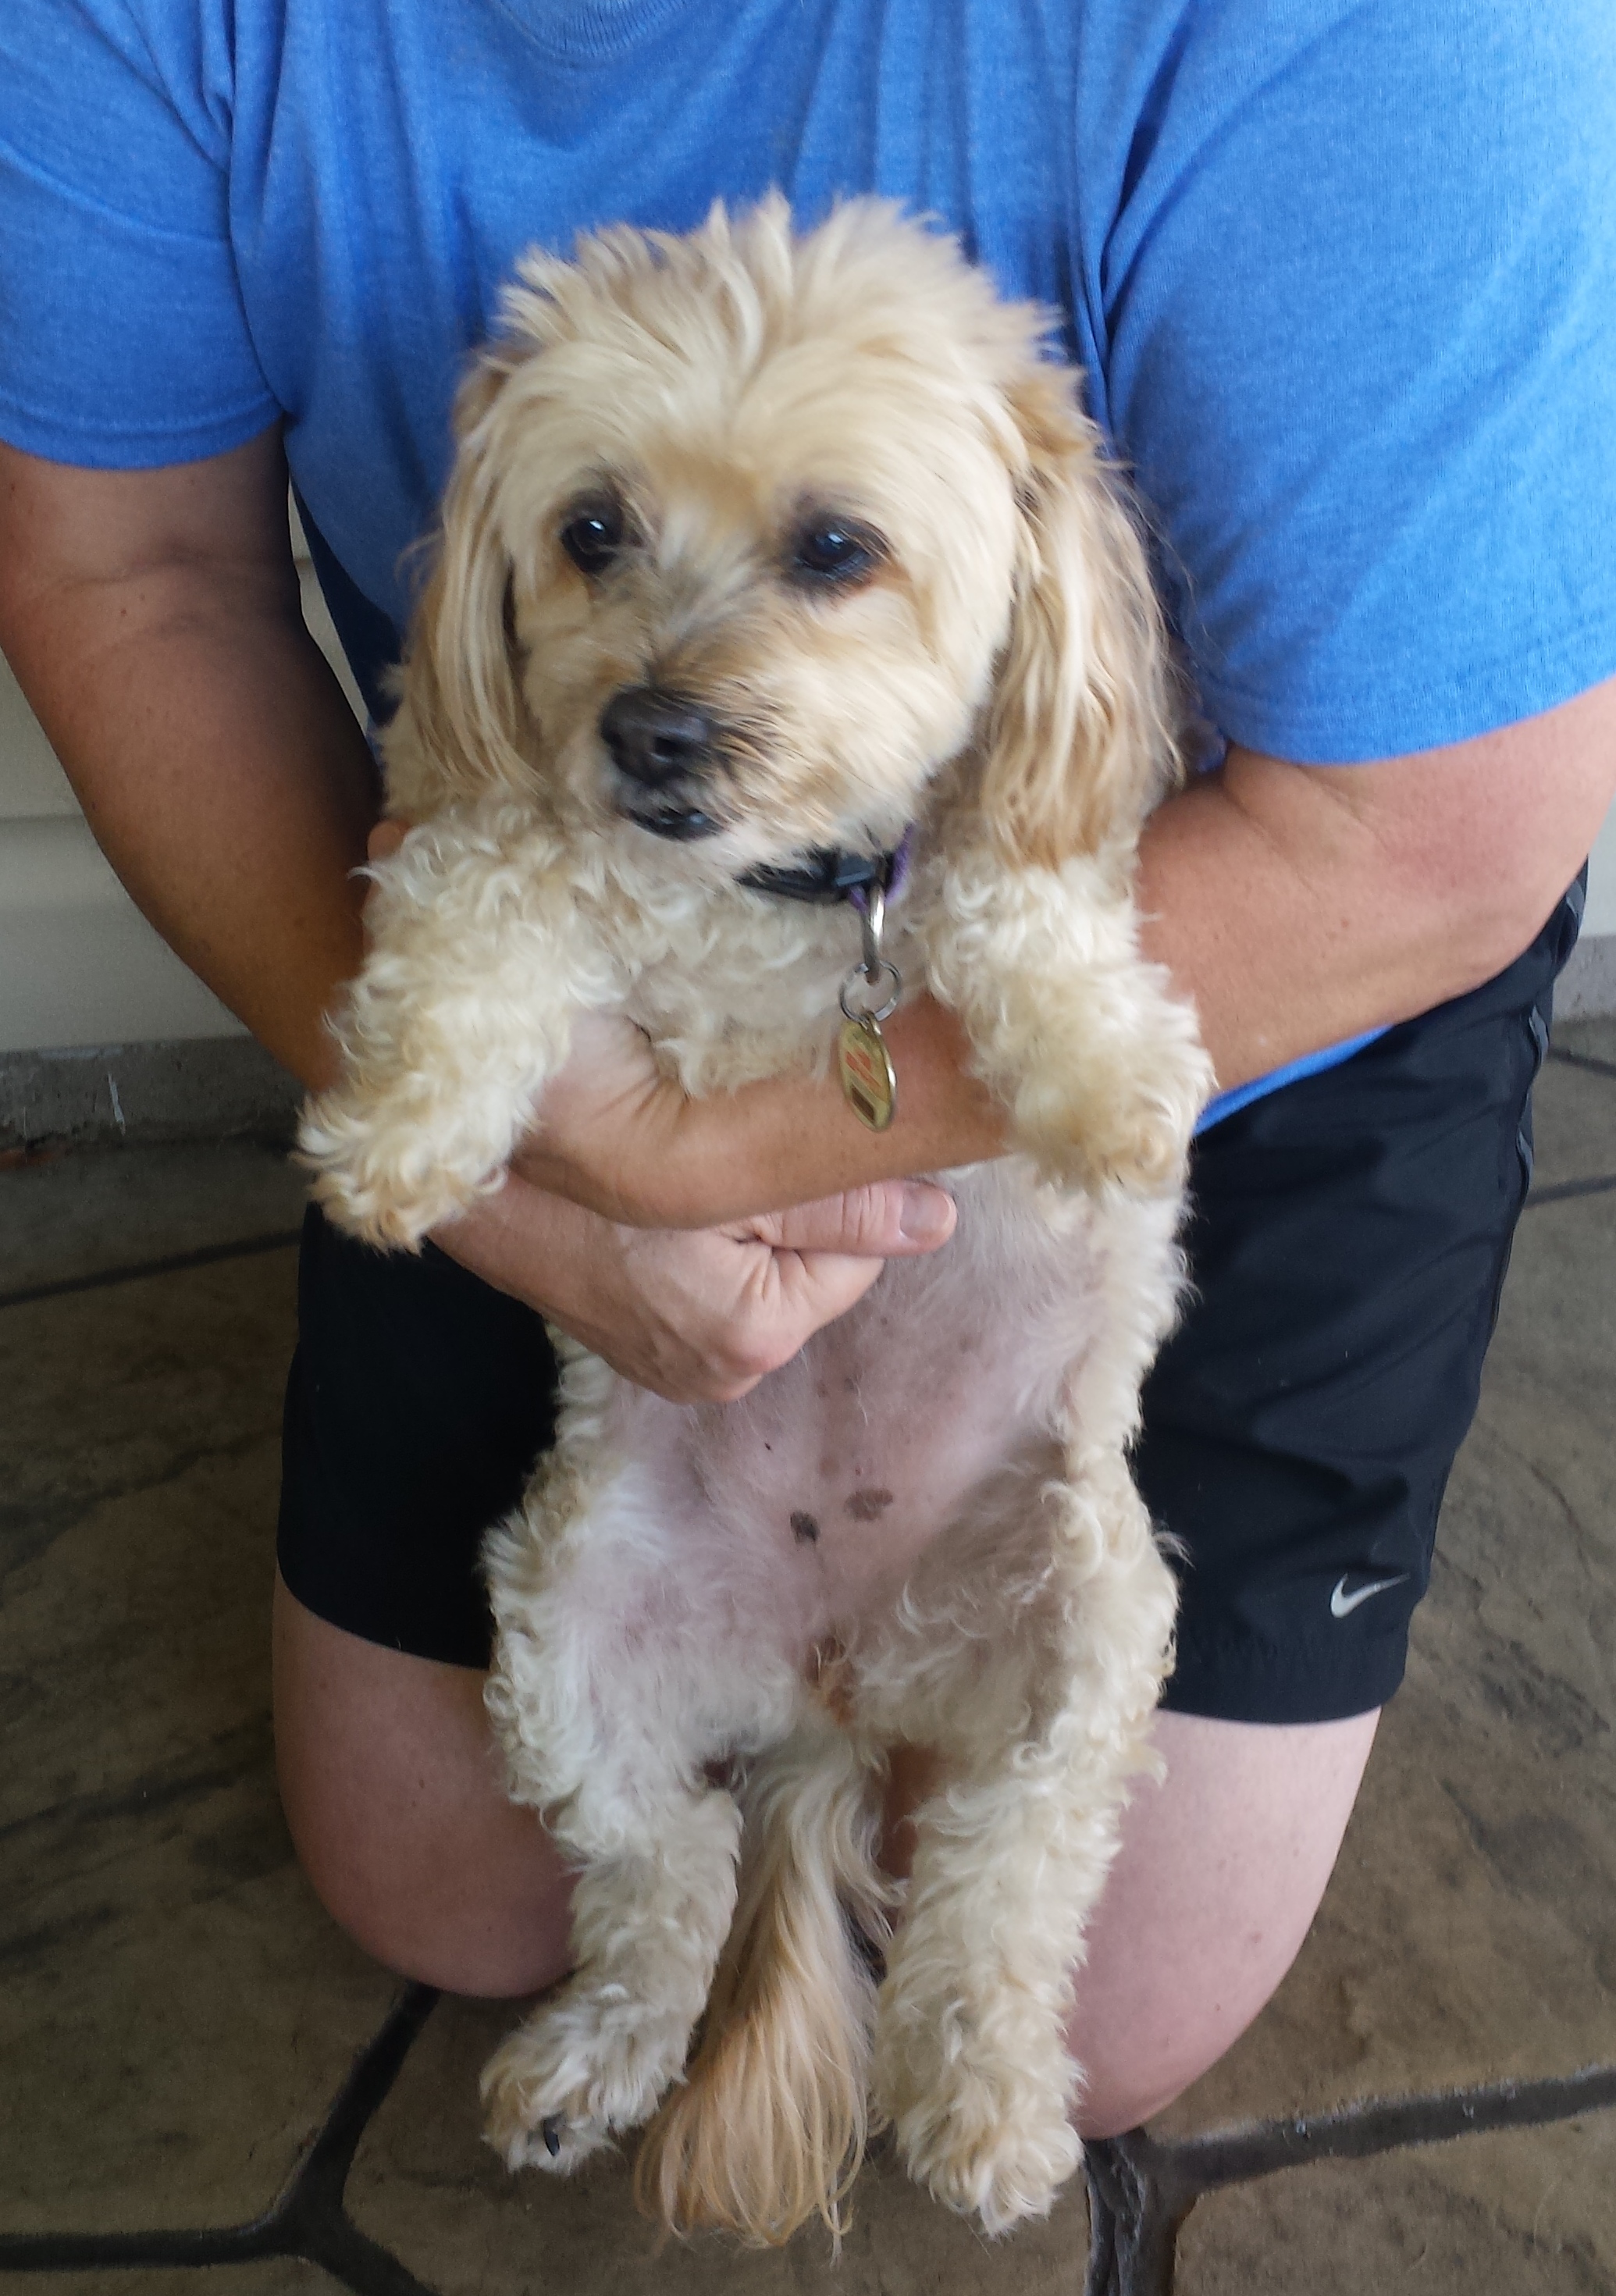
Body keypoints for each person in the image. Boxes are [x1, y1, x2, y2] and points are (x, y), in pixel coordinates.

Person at [2, 0, 1613, 2145]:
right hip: (592, 973)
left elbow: (1431, 844)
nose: (676, 676)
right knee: (444, 1885)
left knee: (1114, 2002)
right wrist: (517, 1166)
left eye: (827, 553)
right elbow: (135, 571)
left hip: (1273, 928)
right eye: (598, 541)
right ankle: (692, 1916)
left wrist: (709, 1158)